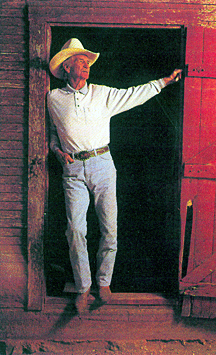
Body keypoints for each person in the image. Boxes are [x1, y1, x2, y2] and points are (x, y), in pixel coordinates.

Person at [47, 38, 182, 313]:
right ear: (66, 66)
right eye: (80, 61)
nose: (85, 65)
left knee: (110, 226)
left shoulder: (102, 94)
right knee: (75, 229)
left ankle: (104, 282)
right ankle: (83, 287)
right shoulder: (54, 99)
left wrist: (164, 82)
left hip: (103, 164)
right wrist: (57, 152)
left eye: (87, 62)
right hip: (73, 171)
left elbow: (133, 94)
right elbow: (52, 133)